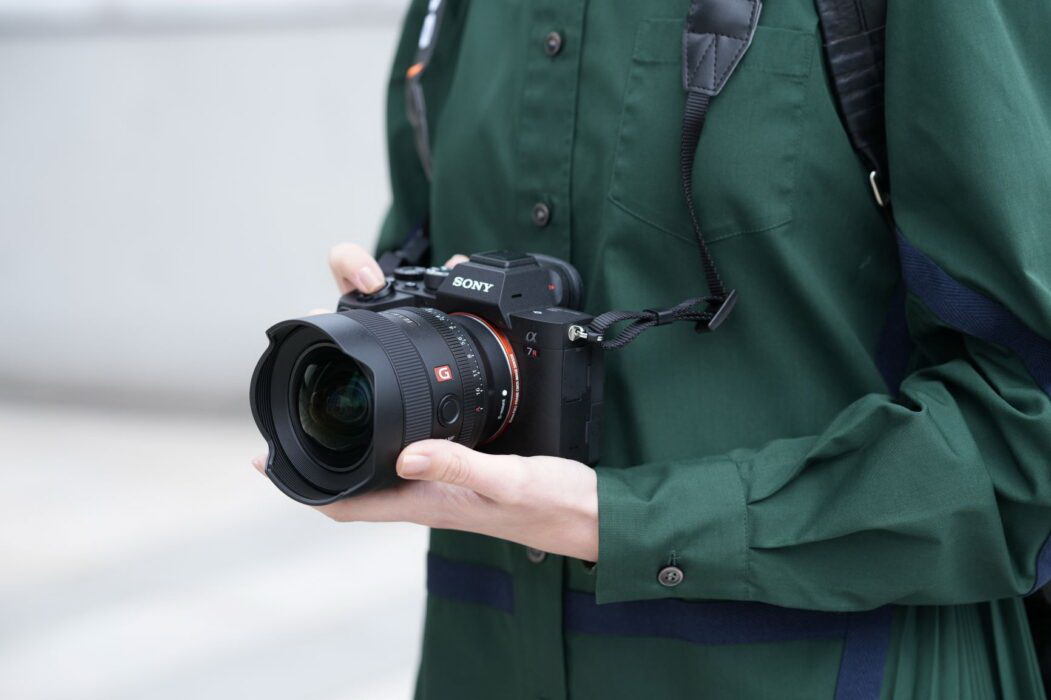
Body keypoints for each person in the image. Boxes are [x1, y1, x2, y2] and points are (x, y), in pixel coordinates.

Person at [253, 0, 1051, 697]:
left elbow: (1028, 424)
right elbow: (423, 251)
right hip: (478, 664)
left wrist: (630, 523)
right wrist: (386, 324)